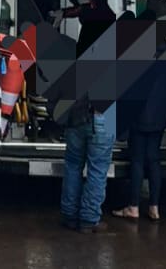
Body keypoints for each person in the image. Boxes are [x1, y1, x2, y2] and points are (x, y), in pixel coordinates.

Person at [112, 39, 166, 221]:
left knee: (137, 160)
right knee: (153, 159)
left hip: (139, 115)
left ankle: (133, 207)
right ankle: (154, 207)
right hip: (161, 117)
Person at [60, 96, 114, 233]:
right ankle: (88, 220)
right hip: (102, 117)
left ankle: (69, 215)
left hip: (75, 117)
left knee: (72, 166)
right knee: (97, 169)